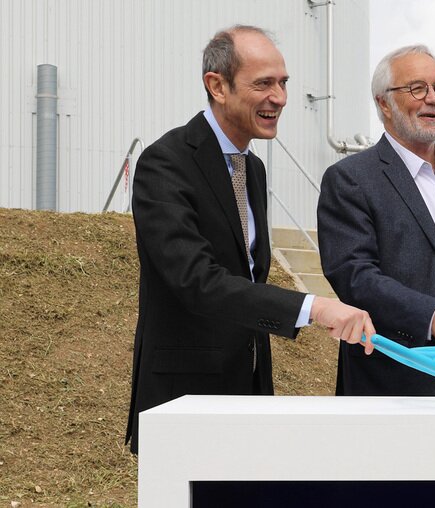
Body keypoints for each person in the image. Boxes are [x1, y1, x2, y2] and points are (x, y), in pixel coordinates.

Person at [126, 25, 374, 454]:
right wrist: (311, 307)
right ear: (216, 86)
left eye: (283, 83)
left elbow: (247, 276)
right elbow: (196, 279)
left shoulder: (251, 169)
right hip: (184, 398)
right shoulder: (164, 163)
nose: (279, 97)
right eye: (263, 83)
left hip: (249, 388)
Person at [317, 45, 435, 396]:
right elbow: (354, 275)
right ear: (384, 103)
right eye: (417, 88)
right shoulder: (351, 178)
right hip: (399, 375)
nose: (434, 99)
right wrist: (432, 314)